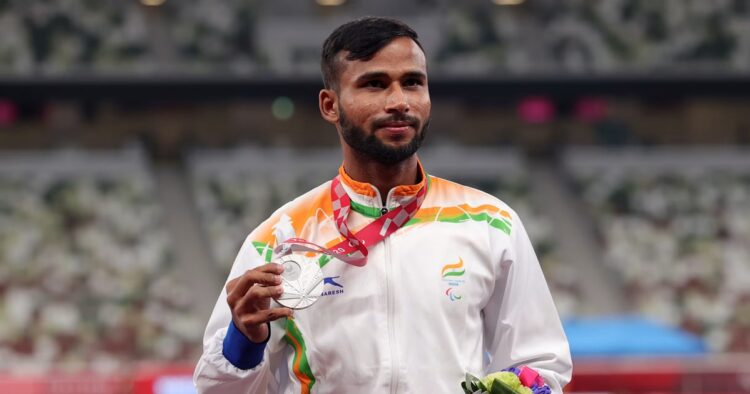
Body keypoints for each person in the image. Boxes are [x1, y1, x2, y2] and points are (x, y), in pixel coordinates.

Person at [194, 17, 572, 393]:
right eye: (374, 84)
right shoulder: (279, 238)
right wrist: (244, 341)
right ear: (330, 105)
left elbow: (539, 365)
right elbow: (219, 391)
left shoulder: (491, 224)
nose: (399, 102)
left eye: (413, 83)